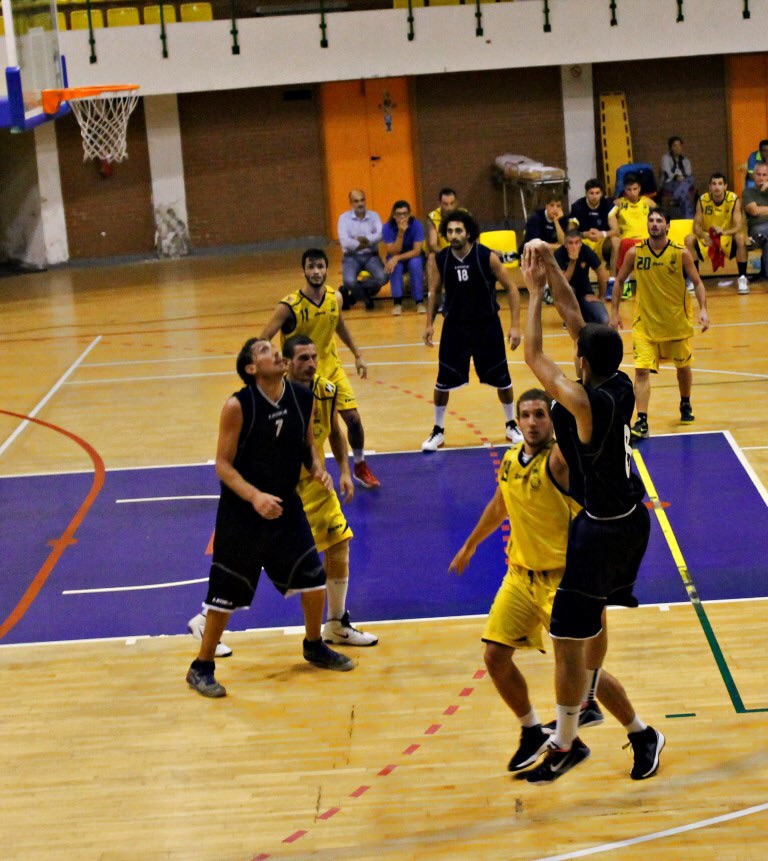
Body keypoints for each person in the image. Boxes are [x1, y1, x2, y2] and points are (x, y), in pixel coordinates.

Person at [449, 389, 657, 779]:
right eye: (526, 415)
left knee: (586, 676)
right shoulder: (511, 460)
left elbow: (582, 427)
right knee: (495, 656)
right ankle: (531, 730)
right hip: (519, 577)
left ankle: (641, 733)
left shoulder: (561, 462)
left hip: (564, 583)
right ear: (517, 420)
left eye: (540, 414)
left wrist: (582, 381)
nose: (532, 422)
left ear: (553, 420)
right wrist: (470, 544)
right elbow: (499, 505)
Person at [517, 239, 664, 784]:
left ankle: (565, 739)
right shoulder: (620, 383)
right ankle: (613, 718)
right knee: (587, 624)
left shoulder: (584, 404)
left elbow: (533, 358)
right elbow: (575, 317)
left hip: (601, 531)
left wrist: (532, 292)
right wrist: (552, 265)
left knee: (565, 639)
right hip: (631, 522)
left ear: (582, 362)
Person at [188, 334, 378, 657]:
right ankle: (204, 643)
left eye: (314, 357)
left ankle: (327, 632)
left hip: (298, 495)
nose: (311, 363)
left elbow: (318, 442)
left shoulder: (312, 396)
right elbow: (223, 464)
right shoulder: (242, 405)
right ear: (256, 367)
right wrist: (255, 496)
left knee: (327, 560)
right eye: (303, 358)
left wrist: (328, 469)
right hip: (255, 504)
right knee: (235, 583)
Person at [260, 248, 381, 488]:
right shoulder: (289, 306)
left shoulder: (335, 298)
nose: (316, 271)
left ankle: (359, 465)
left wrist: (357, 354)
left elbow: (339, 325)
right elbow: (263, 339)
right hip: (301, 376)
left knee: (353, 420)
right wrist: (276, 365)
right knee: (309, 431)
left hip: (331, 369)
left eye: (320, 266)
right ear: (304, 270)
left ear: (327, 269)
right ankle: (299, 474)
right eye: (311, 267)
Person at [421, 210, 522, 451]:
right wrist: (429, 324)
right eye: (449, 231)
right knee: (442, 382)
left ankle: (511, 424)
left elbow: (512, 289)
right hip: (455, 327)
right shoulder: (441, 259)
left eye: (458, 230)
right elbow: (435, 292)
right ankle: (438, 431)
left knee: (503, 379)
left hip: (486, 325)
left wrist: (515, 326)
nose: (453, 235)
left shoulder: (486, 256)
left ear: (468, 233)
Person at [611, 209, 709, 440]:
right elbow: (620, 281)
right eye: (651, 220)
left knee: (683, 367)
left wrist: (703, 309)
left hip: (676, 322)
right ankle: (642, 420)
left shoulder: (681, 253)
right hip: (644, 323)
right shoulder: (635, 252)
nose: (654, 224)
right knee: (641, 370)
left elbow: (697, 282)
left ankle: (685, 401)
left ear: (667, 226)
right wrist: (614, 312)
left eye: (659, 221)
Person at [684, 172, 749, 294]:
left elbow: (739, 226)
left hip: (726, 236)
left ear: (725, 186)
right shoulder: (702, 200)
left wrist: (725, 232)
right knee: (689, 239)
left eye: (720, 184)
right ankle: (694, 279)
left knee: (740, 237)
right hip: (707, 237)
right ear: (709, 187)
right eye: (714, 184)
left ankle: (742, 278)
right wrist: (704, 236)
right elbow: (696, 226)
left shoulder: (733, 199)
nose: (717, 187)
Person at [337, 189, 388, 310]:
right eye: (356, 201)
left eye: (362, 200)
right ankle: (366, 299)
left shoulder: (374, 216)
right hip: (351, 257)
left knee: (383, 278)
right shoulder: (343, 218)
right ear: (351, 203)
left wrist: (362, 240)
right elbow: (345, 242)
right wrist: (369, 241)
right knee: (349, 281)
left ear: (365, 200)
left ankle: (354, 296)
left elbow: (381, 234)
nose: (360, 204)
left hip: (372, 256)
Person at [607, 173, 657, 283]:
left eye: (635, 189)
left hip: (646, 239)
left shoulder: (647, 202)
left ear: (639, 189)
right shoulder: (619, 203)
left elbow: (661, 217)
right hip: (627, 239)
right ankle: (623, 281)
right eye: (629, 189)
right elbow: (609, 218)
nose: (632, 193)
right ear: (625, 190)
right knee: (624, 244)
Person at [382, 199, 426, 315]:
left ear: (410, 214)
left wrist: (397, 258)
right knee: (394, 266)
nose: (402, 217)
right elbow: (393, 251)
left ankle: (419, 302)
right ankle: (397, 303)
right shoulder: (387, 227)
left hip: (412, 256)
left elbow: (417, 251)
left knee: (415, 263)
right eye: (398, 214)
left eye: (405, 214)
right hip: (395, 255)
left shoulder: (416, 225)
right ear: (393, 215)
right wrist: (400, 233)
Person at [567, 179, 616, 268]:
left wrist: (602, 234)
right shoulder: (578, 206)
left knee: (616, 241)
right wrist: (585, 234)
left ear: (601, 193)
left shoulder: (607, 204)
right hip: (584, 242)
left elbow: (616, 231)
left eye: (597, 193)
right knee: (572, 243)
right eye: (591, 193)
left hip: (601, 242)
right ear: (586, 193)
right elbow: (570, 232)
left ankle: (613, 275)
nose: (594, 196)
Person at [741, 161, 768, 281]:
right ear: (753, 176)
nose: (761, 178)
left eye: (764, 175)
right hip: (756, 231)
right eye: (758, 174)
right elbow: (754, 211)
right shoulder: (748, 192)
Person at [659, 135, 696, 218]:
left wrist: (682, 179)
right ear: (670, 148)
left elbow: (688, 173)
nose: (678, 148)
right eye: (675, 145)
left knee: (691, 178)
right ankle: (689, 218)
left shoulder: (686, 160)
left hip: (683, 182)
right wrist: (676, 177)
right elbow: (667, 172)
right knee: (685, 194)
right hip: (669, 182)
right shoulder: (665, 158)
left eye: (679, 145)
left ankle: (676, 198)